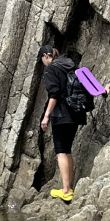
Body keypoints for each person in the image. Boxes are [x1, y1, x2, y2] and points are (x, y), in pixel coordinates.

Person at [38, 42, 82, 203]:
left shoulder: (51, 69)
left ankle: (65, 190)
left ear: (45, 56)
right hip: (75, 114)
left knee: (61, 151)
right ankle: (68, 188)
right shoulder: (70, 65)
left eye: (41, 59)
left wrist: (46, 116)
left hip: (61, 115)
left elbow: (54, 93)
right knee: (67, 150)